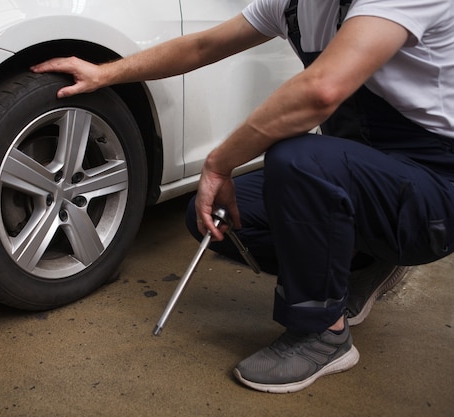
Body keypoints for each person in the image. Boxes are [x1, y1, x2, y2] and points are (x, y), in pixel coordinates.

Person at [32, 0, 454, 393]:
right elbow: (202, 45)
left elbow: (321, 90)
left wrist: (219, 163)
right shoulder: (295, 5)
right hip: (372, 180)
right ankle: (362, 263)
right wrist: (106, 73)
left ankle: (323, 334)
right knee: (218, 218)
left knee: (300, 160)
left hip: (435, 191)